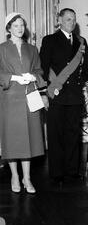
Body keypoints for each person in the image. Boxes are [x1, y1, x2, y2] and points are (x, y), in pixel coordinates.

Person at [40, 8, 88, 183]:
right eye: (68, 19)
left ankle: (72, 171)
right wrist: (44, 93)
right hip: (56, 94)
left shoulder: (82, 42)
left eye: (74, 20)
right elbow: (42, 69)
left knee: (73, 135)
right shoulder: (49, 40)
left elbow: (87, 72)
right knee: (56, 135)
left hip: (75, 96)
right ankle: (57, 172)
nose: (72, 23)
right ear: (60, 20)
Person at [0, 13, 48, 194]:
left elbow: (39, 70)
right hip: (10, 98)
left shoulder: (32, 49)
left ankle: (26, 177)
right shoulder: (1, 49)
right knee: (12, 139)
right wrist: (12, 77)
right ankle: (14, 175)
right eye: (16, 25)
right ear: (9, 28)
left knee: (28, 139)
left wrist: (33, 76)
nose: (20, 28)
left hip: (29, 97)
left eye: (22, 25)